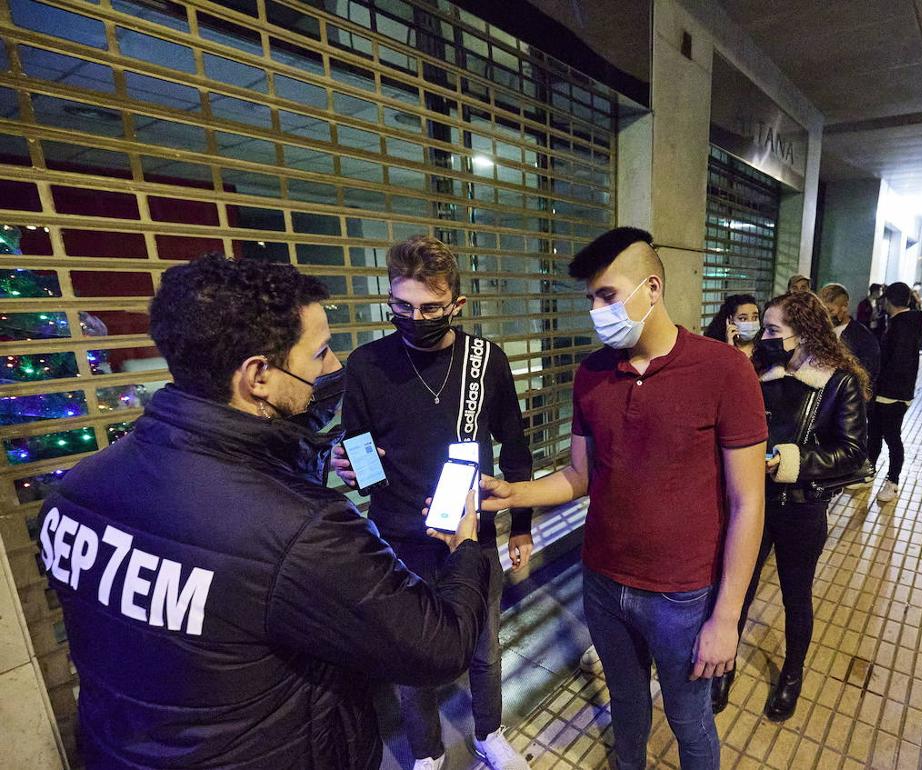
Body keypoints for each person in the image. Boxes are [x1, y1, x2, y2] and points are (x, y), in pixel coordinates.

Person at [37, 254, 490, 769]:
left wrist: (315, 455)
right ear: (258, 376)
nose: (333, 366)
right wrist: (466, 547)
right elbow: (439, 647)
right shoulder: (305, 529)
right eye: (318, 354)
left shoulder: (75, 490)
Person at [479, 227, 767, 770]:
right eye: (591, 299)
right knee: (627, 706)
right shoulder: (591, 374)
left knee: (689, 720)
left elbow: (749, 502)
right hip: (604, 584)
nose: (596, 311)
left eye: (608, 296)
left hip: (681, 595)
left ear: (651, 288)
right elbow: (578, 476)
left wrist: (725, 617)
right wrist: (515, 492)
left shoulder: (725, 371)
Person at [331, 236, 533, 770]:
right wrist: (357, 471)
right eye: (401, 306)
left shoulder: (485, 360)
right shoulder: (366, 364)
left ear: (456, 306)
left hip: (472, 532)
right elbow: (357, 448)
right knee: (408, 657)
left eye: (429, 308)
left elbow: (515, 446)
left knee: (484, 648)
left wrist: (522, 525)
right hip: (397, 536)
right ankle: (426, 750)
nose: (414, 317)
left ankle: (489, 734)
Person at [712, 292, 868, 720]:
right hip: (754, 504)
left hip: (801, 507)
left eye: (772, 330)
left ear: (803, 332)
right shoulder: (761, 367)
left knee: (796, 596)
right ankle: (723, 668)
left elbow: (854, 451)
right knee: (737, 588)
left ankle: (792, 675)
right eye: (762, 328)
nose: (763, 336)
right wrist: (732, 360)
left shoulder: (839, 381)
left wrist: (788, 460)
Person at [869, 282, 922, 504]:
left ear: (890, 300)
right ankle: (869, 470)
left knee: (891, 436)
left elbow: (896, 362)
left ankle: (892, 482)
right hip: (892, 391)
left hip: (892, 392)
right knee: (874, 432)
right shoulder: (903, 322)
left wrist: (880, 385)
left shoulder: (901, 325)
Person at [817, 282, 880, 389]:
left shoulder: (863, 337)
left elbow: (867, 376)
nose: (825, 316)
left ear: (845, 306)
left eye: (830, 311)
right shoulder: (817, 331)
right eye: (821, 311)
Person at [703, 293, 761, 359]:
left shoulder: (764, 346)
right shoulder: (715, 348)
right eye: (743, 318)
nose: (750, 323)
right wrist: (729, 348)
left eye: (755, 317)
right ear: (730, 321)